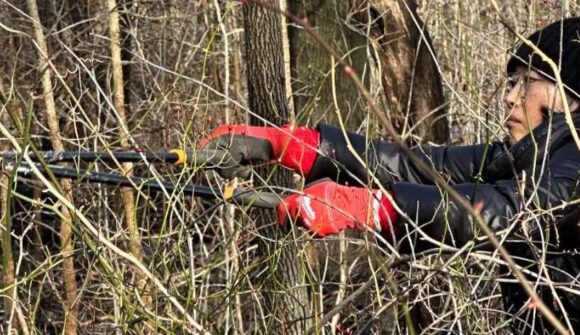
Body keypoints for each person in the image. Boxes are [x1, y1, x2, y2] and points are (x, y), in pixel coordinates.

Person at [201, 17, 580, 333]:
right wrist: (294, 146)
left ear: (570, 93)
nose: (510, 97)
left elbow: (508, 213)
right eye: (510, 83)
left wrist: (372, 207)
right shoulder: (523, 158)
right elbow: (418, 165)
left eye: (525, 82)